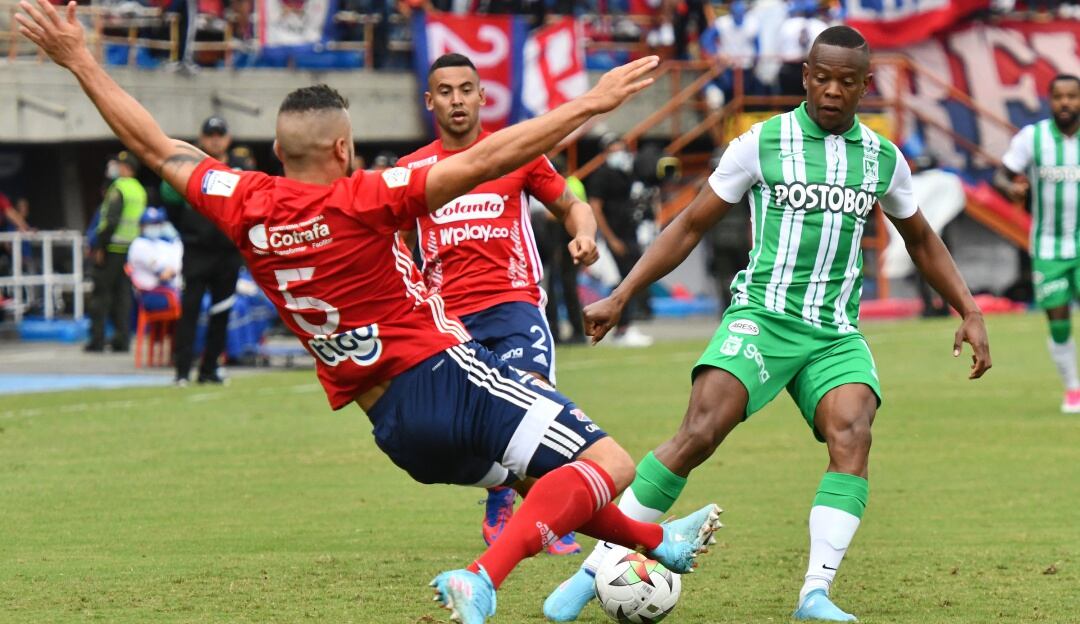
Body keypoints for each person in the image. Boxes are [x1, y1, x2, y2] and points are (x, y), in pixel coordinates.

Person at [16, 5, 722, 624]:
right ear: (343, 149)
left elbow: (155, 146)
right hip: (445, 376)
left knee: (546, 480)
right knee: (610, 462)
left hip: (390, 427)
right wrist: (589, 104)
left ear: (279, 151)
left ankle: (663, 545)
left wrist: (80, 58)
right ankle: (481, 579)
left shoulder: (243, 201)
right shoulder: (364, 197)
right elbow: (485, 159)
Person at [543, 25, 992, 623]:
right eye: (822, 78)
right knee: (698, 433)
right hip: (762, 317)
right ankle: (593, 571)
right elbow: (692, 224)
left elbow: (921, 239)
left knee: (853, 435)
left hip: (833, 333)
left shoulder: (884, 158)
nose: (833, 91)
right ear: (806, 77)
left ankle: (815, 595)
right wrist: (623, 293)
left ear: (865, 87)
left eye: (847, 82)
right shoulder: (764, 142)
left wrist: (970, 308)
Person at [397, 53, 601, 557]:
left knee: (535, 407)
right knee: (450, 432)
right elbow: (393, 243)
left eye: (466, 89)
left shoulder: (516, 153)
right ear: (430, 102)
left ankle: (550, 518)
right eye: (445, 91)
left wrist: (585, 235)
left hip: (514, 308)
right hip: (447, 320)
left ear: (483, 95)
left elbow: (571, 205)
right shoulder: (411, 172)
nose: (457, 99)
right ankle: (499, 488)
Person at [994, 74, 1080, 413]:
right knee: (1058, 319)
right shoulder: (1033, 138)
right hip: (1048, 246)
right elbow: (1001, 174)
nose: (1066, 103)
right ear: (1049, 100)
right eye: (1059, 97)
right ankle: (1073, 388)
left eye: (1072, 96)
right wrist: (1011, 189)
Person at [161, 115, 245, 386]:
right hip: (197, 252)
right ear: (201, 139)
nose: (215, 140)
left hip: (227, 254)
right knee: (190, 312)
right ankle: (182, 372)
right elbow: (170, 203)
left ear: (228, 139)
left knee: (221, 313)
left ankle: (210, 369)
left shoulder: (239, 169)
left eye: (220, 135)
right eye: (211, 135)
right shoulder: (189, 168)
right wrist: (191, 233)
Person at [588, 134, 653, 347]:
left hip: (630, 234)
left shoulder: (627, 174)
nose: (618, 153)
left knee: (632, 280)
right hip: (614, 237)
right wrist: (611, 239)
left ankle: (626, 326)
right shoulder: (601, 176)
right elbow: (596, 208)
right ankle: (621, 329)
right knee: (620, 282)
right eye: (613, 150)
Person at [86, 150, 146, 352]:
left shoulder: (118, 188)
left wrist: (100, 247)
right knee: (123, 297)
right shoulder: (139, 190)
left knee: (101, 295)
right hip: (130, 250)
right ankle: (122, 340)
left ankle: (97, 339)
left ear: (126, 167)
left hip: (111, 248)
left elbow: (110, 221)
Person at [127, 206, 183, 312]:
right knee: (192, 302)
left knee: (200, 299)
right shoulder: (139, 244)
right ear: (142, 226)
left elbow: (176, 267)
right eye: (150, 224)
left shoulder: (159, 243)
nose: (155, 227)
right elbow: (164, 274)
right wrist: (173, 271)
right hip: (149, 294)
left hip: (165, 290)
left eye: (157, 223)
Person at [777, 0, 828, 96]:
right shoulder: (821, 26)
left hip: (791, 68)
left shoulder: (787, 25)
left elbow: (780, 48)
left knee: (789, 103)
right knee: (811, 103)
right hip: (812, 69)